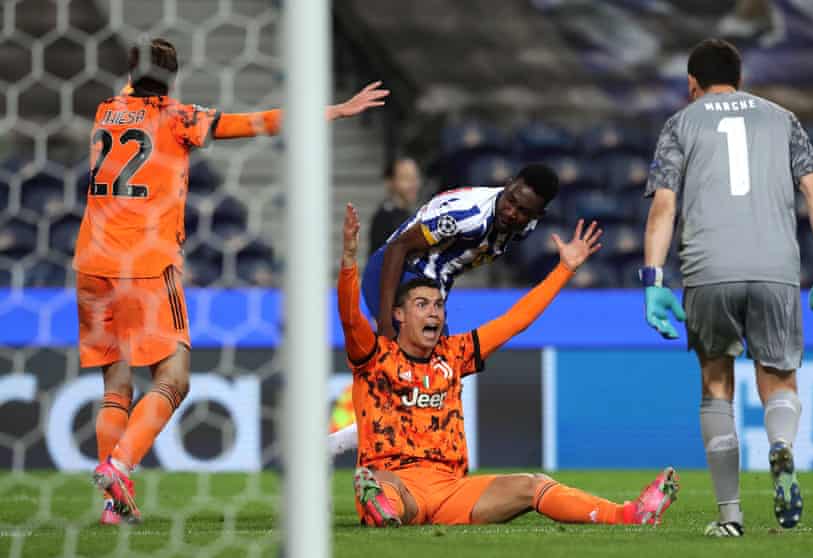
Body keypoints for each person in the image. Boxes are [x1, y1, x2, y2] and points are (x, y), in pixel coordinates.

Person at [77, 37, 388, 525]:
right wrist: (337, 111)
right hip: (145, 263)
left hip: (90, 265)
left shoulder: (105, 111)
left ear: (131, 76)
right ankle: (118, 466)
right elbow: (257, 122)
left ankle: (112, 506)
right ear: (172, 81)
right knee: (174, 380)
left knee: (116, 386)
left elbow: (136, 85)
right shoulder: (178, 117)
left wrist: (142, 71)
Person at [338, 203, 680, 527]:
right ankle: (380, 506)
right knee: (380, 484)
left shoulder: (455, 353)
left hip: (452, 491)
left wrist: (564, 270)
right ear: (398, 315)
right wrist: (350, 262)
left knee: (532, 485)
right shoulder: (375, 357)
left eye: (438, 305)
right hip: (398, 481)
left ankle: (630, 515)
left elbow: (517, 319)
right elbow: (352, 319)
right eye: (422, 304)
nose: (434, 312)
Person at [640, 38, 813, 536]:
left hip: (709, 270)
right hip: (775, 269)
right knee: (778, 377)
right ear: (741, 77)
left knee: (716, 385)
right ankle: (782, 446)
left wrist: (653, 279)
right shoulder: (782, 118)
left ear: (693, 83)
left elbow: (664, 206)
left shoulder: (680, 124)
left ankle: (730, 517)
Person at [327, 163, 560, 457]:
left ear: (537, 215)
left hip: (430, 287)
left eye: (522, 210)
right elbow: (398, 248)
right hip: (397, 274)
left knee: (434, 381)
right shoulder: (466, 216)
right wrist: (386, 322)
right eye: (511, 200)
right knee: (435, 374)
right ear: (509, 183)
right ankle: (400, 462)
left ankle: (351, 446)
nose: (512, 211)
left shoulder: (525, 226)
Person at [368, 158, 422, 258]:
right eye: (406, 178)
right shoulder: (384, 219)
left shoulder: (411, 215)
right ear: (390, 182)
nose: (413, 184)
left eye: (415, 177)